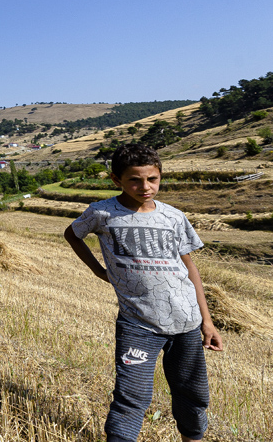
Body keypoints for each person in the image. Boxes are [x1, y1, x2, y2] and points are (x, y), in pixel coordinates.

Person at [64, 143, 223, 442]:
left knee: (193, 395)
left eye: (152, 179)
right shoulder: (103, 212)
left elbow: (190, 269)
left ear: (160, 176)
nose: (145, 187)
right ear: (116, 180)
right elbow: (72, 234)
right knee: (130, 398)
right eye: (135, 180)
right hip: (138, 325)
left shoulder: (174, 217)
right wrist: (99, 271)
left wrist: (207, 321)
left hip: (185, 322)